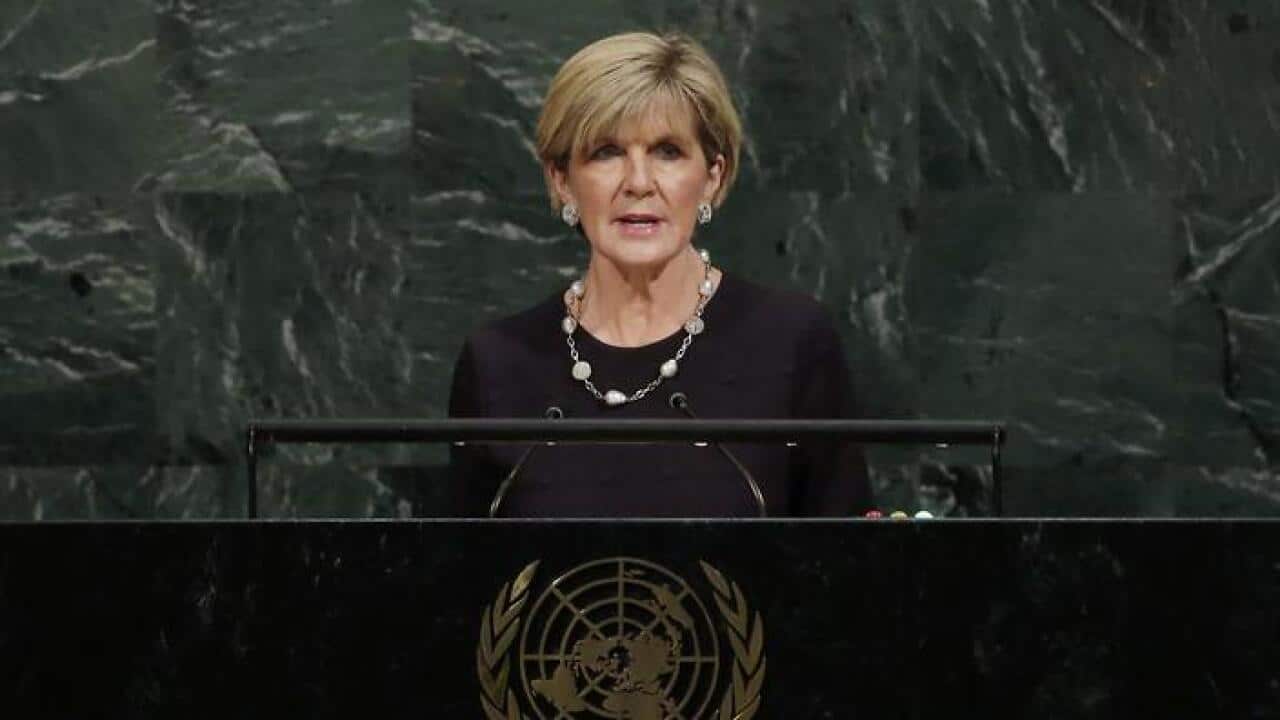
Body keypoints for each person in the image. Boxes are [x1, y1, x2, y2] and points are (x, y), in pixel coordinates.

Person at [447, 31, 871, 517]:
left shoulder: (792, 342)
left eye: (667, 151)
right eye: (606, 152)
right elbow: (462, 561)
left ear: (712, 176)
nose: (639, 183)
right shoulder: (497, 362)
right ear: (561, 180)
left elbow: (849, 554)